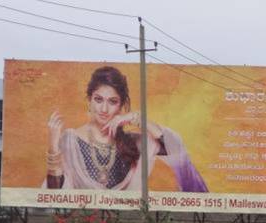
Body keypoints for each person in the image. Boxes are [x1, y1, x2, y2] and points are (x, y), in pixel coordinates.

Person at [45, 66, 207, 192]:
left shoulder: (133, 143)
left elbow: (174, 148)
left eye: (112, 101)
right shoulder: (71, 140)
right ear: (89, 101)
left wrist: (138, 119)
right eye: (98, 99)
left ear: (121, 106)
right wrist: (53, 148)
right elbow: (55, 196)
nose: (104, 109)